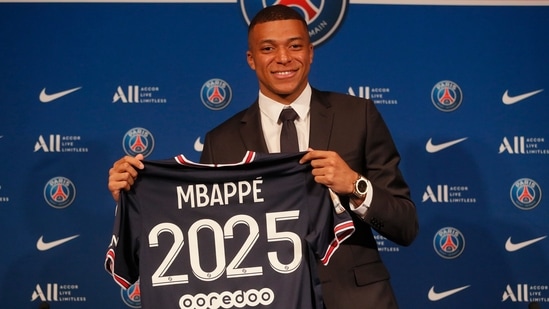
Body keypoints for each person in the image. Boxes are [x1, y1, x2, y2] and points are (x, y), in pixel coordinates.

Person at [108, 5, 418, 309]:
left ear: (310, 52)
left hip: (356, 300)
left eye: (295, 46)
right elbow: (202, 239)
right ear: (251, 59)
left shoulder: (358, 116)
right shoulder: (222, 141)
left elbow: (405, 225)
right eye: (268, 48)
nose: (284, 58)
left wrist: (355, 185)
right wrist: (136, 199)